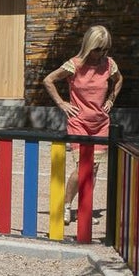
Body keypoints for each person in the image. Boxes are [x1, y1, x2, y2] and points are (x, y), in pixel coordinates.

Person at [42, 25, 123, 225]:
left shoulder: (109, 64)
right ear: (89, 45)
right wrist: (62, 103)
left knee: (93, 169)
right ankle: (66, 206)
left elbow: (119, 80)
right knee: (82, 167)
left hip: (100, 123)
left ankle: (84, 208)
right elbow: (49, 80)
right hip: (79, 121)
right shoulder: (74, 65)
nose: (101, 53)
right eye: (98, 49)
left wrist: (111, 99)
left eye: (105, 49)